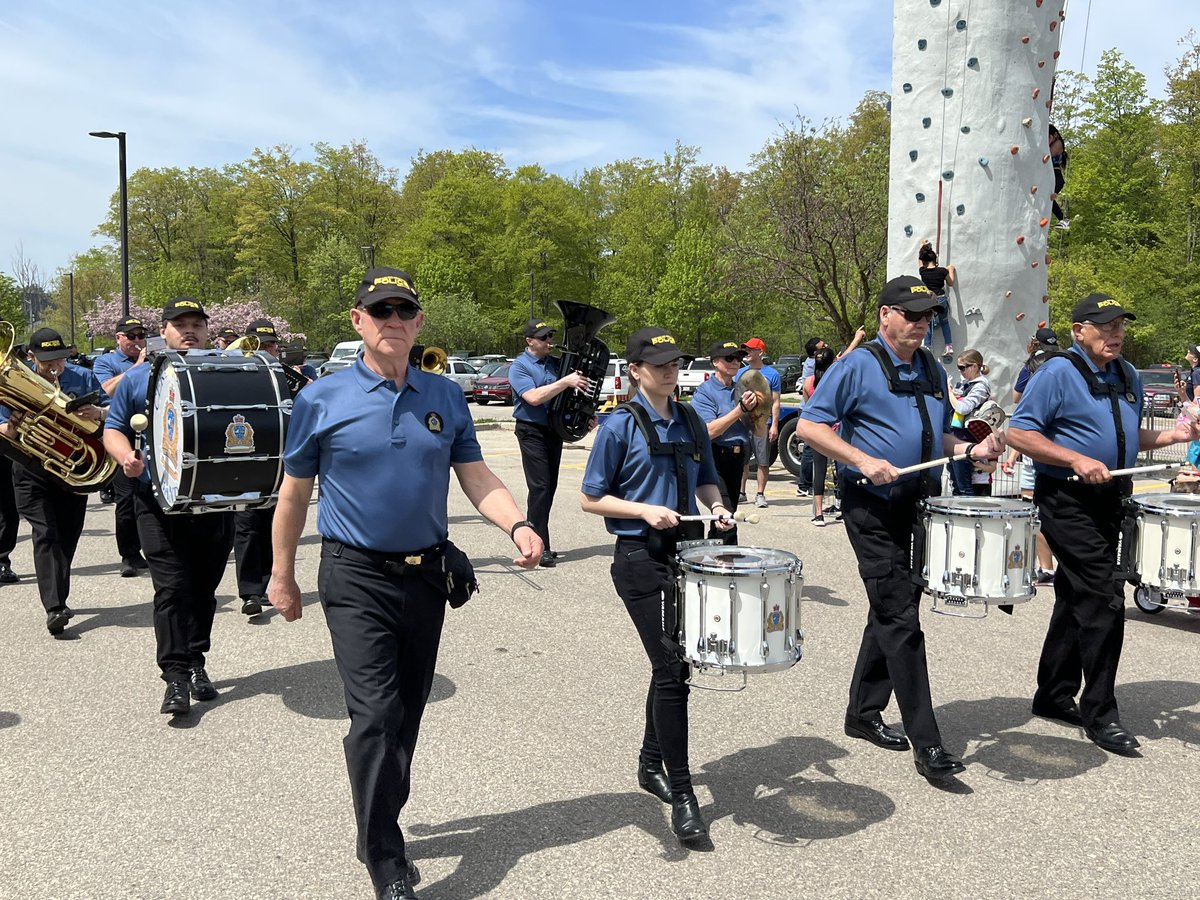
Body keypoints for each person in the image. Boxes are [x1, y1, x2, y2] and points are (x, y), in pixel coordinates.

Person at [268, 267, 542, 900]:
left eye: (405, 311)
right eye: (380, 310)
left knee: (407, 715)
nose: (394, 320)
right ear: (358, 320)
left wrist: (518, 525)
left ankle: (378, 821)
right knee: (377, 715)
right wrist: (282, 574)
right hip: (354, 575)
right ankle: (384, 858)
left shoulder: (444, 395)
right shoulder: (321, 398)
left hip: (425, 577)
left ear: (419, 322)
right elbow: (294, 493)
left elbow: (474, 475)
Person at [796, 275, 1003, 781]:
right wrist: (863, 459)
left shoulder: (932, 366)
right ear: (885, 314)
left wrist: (971, 449)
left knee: (895, 607)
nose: (920, 323)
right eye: (910, 314)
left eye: (927, 315)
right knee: (901, 618)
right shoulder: (856, 365)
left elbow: (937, 438)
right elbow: (809, 426)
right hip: (871, 505)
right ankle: (927, 743)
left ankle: (863, 713)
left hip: (919, 498)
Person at [1007, 293, 1199, 755]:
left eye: (1120, 327)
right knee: (1104, 597)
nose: (1116, 334)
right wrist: (1076, 457)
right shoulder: (1057, 372)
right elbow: (1019, 431)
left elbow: (1127, 435)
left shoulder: (1126, 374)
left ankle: (1052, 695)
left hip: (1112, 497)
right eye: (1106, 326)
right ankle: (1101, 712)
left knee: (1076, 595)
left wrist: (1173, 435)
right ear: (1079, 330)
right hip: (1068, 497)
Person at [581, 325, 731, 842]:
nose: (671, 370)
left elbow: (708, 477)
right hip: (638, 557)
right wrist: (644, 510)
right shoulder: (619, 425)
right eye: (660, 363)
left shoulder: (690, 417)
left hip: (689, 552)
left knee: (673, 665)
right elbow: (590, 497)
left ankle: (650, 765)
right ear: (636, 370)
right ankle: (684, 791)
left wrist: (717, 506)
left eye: (676, 362)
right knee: (672, 667)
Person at [103, 297, 236, 718]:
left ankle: (197, 661)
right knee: (172, 588)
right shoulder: (138, 377)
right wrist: (126, 458)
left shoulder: (225, 372)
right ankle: (176, 675)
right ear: (164, 330)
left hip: (214, 500)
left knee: (203, 590)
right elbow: (113, 429)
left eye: (197, 323)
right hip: (156, 499)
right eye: (181, 324)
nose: (190, 330)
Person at [0, 328, 108, 636]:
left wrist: (98, 412)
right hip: (31, 468)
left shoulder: (83, 378)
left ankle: (58, 589)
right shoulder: (12, 381)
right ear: (31, 357)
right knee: (46, 532)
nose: (54, 366)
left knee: (67, 535)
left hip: (74, 468)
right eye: (47, 361)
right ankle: (55, 607)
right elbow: (1, 426)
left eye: (59, 359)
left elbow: (115, 411)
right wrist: (11, 427)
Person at [507, 318, 590, 568]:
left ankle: (540, 541)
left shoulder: (556, 364)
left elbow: (567, 398)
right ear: (529, 341)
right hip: (530, 430)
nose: (549, 342)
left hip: (552, 430)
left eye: (550, 337)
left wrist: (585, 416)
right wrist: (565, 381)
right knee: (540, 487)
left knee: (549, 487)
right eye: (543, 338)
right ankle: (537, 545)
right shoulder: (519, 367)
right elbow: (532, 397)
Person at [230, 318, 297, 616]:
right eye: (262, 344)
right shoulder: (235, 374)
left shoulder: (286, 376)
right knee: (247, 526)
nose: (269, 350)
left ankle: (269, 583)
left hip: (279, 459)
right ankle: (249, 592)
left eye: (272, 345)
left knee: (274, 521)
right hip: (245, 459)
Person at [91, 316, 150, 577]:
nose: (137, 340)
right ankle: (129, 554)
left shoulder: (154, 359)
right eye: (131, 336)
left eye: (141, 335)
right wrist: (137, 367)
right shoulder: (106, 362)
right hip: (120, 431)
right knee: (126, 498)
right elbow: (108, 389)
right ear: (118, 338)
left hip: (149, 430)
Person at [1002, 327, 1059, 583]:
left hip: (1043, 458)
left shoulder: (1033, 366)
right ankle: (1045, 567)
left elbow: (1017, 400)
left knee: (1037, 515)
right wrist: (1015, 454)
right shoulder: (1062, 362)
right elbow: (1027, 428)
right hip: (1035, 454)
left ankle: (1046, 567)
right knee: (1037, 514)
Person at [691, 339, 760, 543]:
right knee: (727, 516)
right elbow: (708, 431)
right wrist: (740, 411)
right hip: (715, 456)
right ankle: (728, 562)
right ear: (714, 362)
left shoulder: (743, 388)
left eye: (738, 358)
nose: (735, 362)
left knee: (723, 515)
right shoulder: (705, 392)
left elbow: (755, 423)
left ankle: (715, 556)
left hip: (738, 458)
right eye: (729, 358)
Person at [736, 337, 781, 508]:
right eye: (745, 349)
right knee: (742, 459)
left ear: (760, 352)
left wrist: (774, 424)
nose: (746, 352)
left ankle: (760, 494)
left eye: (750, 349)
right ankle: (741, 492)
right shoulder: (740, 372)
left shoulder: (772, 374)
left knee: (762, 460)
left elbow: (776, 401)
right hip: (742, 422)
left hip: (762, 423)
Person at [803, 347, 841, 526]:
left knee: (819, 470)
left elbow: (808, 408)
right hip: (837, 429)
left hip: (819, 431)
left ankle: (818, 514)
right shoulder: (836, 380)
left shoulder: (808, 382)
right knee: (840, 470)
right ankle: (842, 506)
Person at [948, 349, 993, 496]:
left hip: (968, 441)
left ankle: (968, 517)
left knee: (965, 488)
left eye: (962, 367)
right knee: (956, 486)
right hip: (956, 439)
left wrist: (949, 393)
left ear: (974, 366)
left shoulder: (980, 386)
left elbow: (962, 408)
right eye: (958, 368)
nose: (960, 371)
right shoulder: (964, 384)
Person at [918, 241, 956, 359]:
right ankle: (949, 346)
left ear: (924, 261)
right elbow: (951, 283)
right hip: (941, 300)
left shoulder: (923, 272)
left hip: (929, 300)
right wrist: (951, 269)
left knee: (927, 323)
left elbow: (919, 261)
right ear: (936, 260)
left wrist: (921, 247)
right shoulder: (942, 271)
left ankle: (928, 346)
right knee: (944, 322)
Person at [1049, 123, 1070, 229]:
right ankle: (1063, 220)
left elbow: (1047, 155)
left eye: (1049, 137)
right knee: (1048, 200)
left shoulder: (1057, 143)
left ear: (1055, 135)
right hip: (1052, 176)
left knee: (1049, 197)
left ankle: (1064, 220)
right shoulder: (1053, 142)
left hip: (1057, 178)